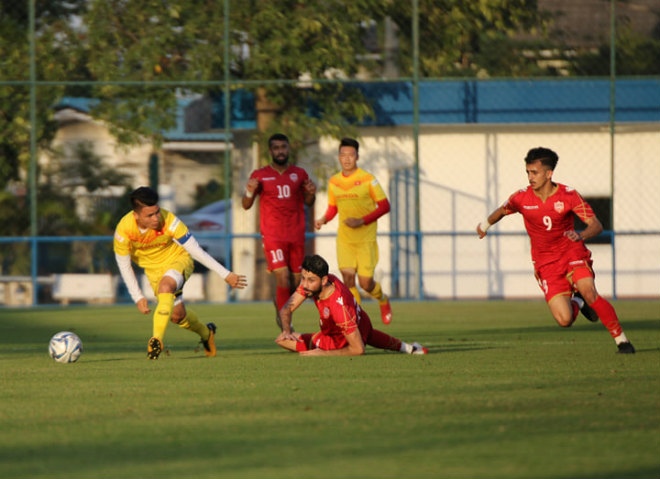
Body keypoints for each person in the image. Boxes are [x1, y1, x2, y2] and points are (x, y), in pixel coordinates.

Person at [476, 147, 635, 354]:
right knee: (564, 320)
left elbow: (596, 225)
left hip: (572, 252)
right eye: (528, 172)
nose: (530, 177)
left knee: (590, 291)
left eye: (535, 172)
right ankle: (577, 299)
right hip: (545, 262)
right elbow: (501, 211)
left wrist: (581, 235)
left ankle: (622, 341)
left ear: (549, 173)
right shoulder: (521, 198)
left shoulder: (568, 195)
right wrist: (484, 226)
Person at [114, 186, 247, 359]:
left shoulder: (170, 220)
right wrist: (137, 296)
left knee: (166, 286)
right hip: (153, 271)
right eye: (150, 215)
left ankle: (156, 342)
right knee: (177, 316)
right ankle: (207, 333)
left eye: (157, 212)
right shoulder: (124, 231)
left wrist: (225, 274)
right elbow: (124, 265)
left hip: (178, 259)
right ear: (136, 215)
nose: (156, 218)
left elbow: (196, 250)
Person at [275, 254, 427, 356]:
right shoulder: (319, 283)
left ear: (323, 280)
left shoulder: (338, 308)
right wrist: (287, 330)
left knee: (282, 341)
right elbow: (286, 309)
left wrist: (322, 354)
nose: (305, 284)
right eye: (303, 278)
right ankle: (409, 348)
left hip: (339, 339)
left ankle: (409, 348)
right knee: (285, 337)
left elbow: (358, 349)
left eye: (310, 280)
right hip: (362, 323)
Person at [242, 133, 316, 330]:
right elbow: (246, 205)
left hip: (296, 235)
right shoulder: (260, 175)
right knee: (282, 277)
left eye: (283, 147)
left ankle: (281, 308)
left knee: (296, 282)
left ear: (288, 149)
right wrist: (249, 191)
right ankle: (286, 326)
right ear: (270, 151)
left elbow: (309, 203)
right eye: (276, 148)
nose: (280, 151)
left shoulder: (299, 174)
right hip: (273, 235)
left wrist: (311, 193)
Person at [315, 137, 393, 325]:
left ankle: (382, 299)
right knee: (348, 280)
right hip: (345, 239)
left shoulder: (368, 180)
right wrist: (324, 219)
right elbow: (333, 207)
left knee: (366, 284)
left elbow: (384, 206)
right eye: (343, 154)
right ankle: (357, 319)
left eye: (351, 154)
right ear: (339, 157)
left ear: (357, 156)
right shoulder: (334, 181)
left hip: (365, 240)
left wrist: (361, 220)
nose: (347, 158)